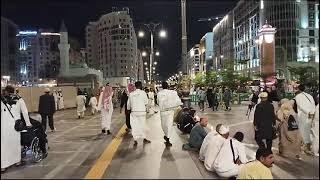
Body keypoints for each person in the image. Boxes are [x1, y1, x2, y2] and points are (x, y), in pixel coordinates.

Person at [1, 86, 32, 172]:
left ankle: (3, 165)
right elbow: (24, 112)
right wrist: (28, 123)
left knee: (4, 145)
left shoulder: (2, 99)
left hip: (4, 125)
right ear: (13, 91)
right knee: (15, 143)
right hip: (16, 125)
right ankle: (17, 161)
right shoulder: (19, 99)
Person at [158, 81, 183, 146]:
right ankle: (167, 137)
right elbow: (177, 101)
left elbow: (158, 102)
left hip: (163, 112)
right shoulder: (172, 93)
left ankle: (167, 137)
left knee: (164, 125)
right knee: (169, 125)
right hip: (170, 111)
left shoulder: (159, 93)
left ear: (162, 86)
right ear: (168, 86)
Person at [127, 81, 151, 146]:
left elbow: (128, 104)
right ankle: (144, 139)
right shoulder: (143, 93)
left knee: (135, 126)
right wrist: (147, 109)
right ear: (141, 86)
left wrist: (128, 109)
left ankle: (135, 140)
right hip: (142, 111)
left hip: (134, 112)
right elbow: (146, 102)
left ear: (135, 86)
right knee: (143, 125)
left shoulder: (131, 94)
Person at [295, 84, 316, 154]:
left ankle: (304, 148)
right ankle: (309, 147)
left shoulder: (297, 96)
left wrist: (308, 112)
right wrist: (312, 112)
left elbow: (300, 106)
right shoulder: (309, 96)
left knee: (302, 131)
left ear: (298, 89)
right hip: (311, 115)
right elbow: (313, 104)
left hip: (303, 115)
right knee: (309, 130)